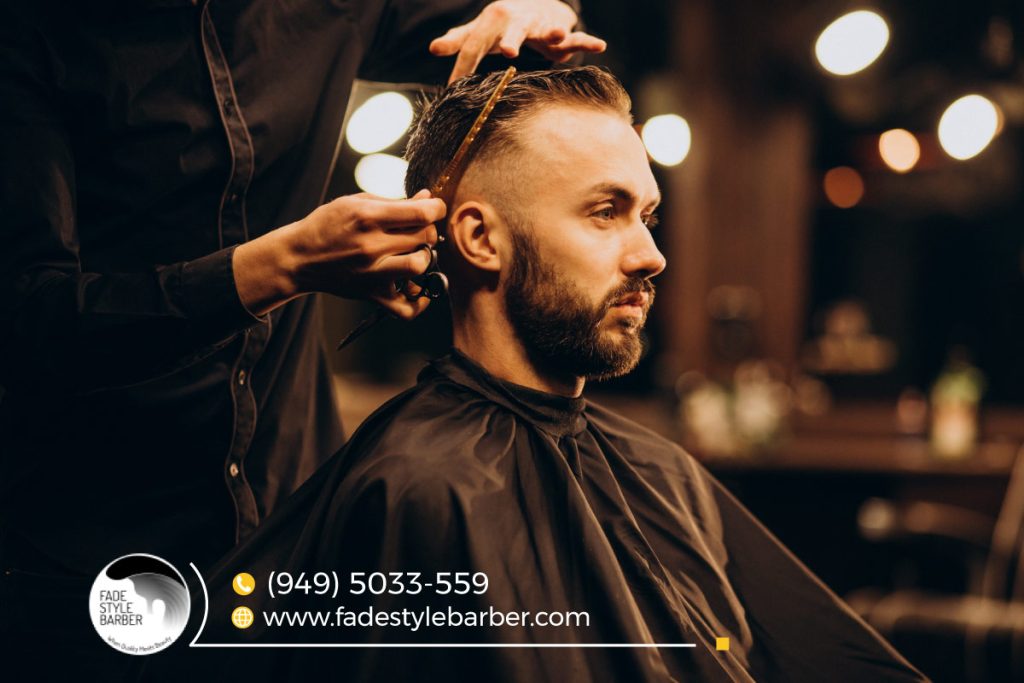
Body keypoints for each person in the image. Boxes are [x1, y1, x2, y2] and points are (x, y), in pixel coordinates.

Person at [186, 67, 927, 682]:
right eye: (605, 212)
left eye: (647, 216)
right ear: (480, 238)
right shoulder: (421, 491)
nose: (651, 256)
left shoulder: (662, 473)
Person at [0, 0, 604, 678]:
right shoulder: (31, 33)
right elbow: (28, 320)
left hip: (295, 529)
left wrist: (544, 8)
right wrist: (283, 265)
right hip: (92, 557)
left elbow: (508, 30)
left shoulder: (332, 11)